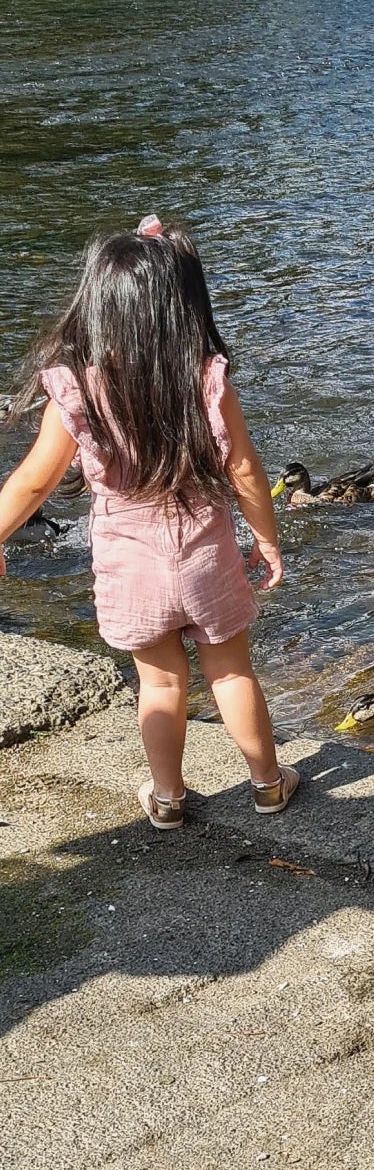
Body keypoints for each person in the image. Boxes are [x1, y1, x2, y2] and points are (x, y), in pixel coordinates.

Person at [0, 215, 297, 828]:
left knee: (159, 687)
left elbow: (33, 481)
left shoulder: (76, 389)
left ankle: (168, 798)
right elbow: (244, 469)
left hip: (130, 566)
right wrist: (266, 537)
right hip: (206, 554)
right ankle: (268, 783)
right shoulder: (204, 378)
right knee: (232, 671)